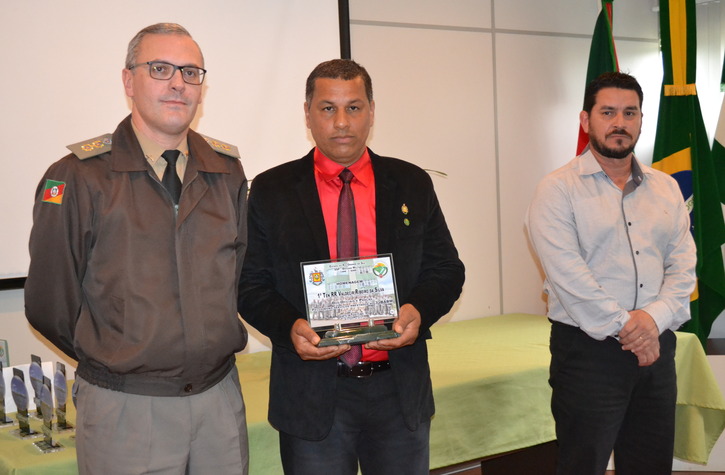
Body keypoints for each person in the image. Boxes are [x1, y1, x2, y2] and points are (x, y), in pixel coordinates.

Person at [25, 23, 249, 474]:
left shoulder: (226, 172)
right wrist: (116, 357)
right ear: (129, 81)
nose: (178, 83)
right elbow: (50, 303)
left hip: (219, 402)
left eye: (190, 72)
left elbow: (239, 277)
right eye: (160, 69)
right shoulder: (79, 175)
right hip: (125, 408)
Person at [237, 59, 465, 474]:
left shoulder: (411, 182)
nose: (341, 122)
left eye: (354, 108)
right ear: (307, 114)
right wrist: (289, 327)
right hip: (311, 394)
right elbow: (250, 285)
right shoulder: (271, 190)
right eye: (328, 108)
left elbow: (446, 269)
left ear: (371, 112)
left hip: (398, 390)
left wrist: (418, 310)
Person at [525, 72, 697, 474]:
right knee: (582, 465)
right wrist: (631, 329)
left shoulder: (666, 187)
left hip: (657, 347)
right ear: (586, 120)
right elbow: (569, 278)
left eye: (629, 113)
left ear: (641, 120)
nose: (620, 122)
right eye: (608, 112)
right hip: (588, 352)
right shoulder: (557, 189)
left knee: (651, 465)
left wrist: (651, 321)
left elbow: (684, 265)